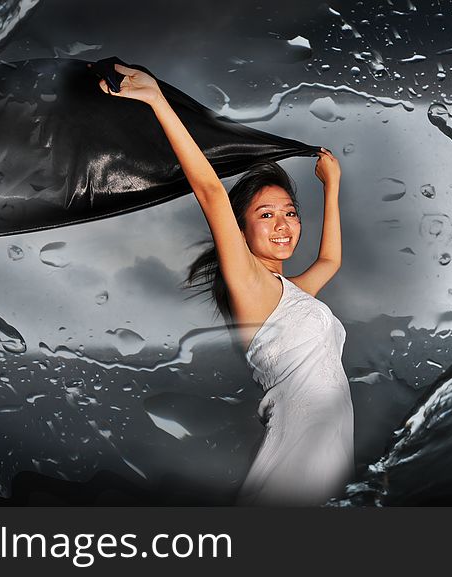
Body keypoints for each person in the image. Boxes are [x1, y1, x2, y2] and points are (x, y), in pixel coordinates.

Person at [99, 64, 354, 506]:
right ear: (242, 230)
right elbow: (211, 193)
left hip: (327, 451)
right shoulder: (250, 285)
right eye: (266, 214)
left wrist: (331, 186)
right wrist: (158, 100)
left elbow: (330, 260)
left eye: (290, 212)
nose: (283, 225)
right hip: (300, 454)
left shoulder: (286, 293)